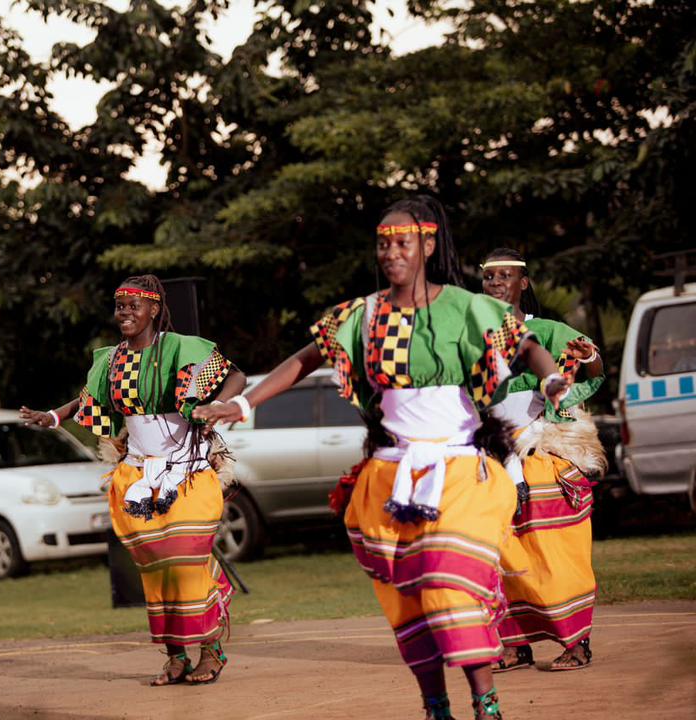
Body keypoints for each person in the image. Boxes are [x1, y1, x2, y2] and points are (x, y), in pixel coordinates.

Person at [195, 196, 571, 720]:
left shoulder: (466, 306)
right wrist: (240, 402)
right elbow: (305, 360)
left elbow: (527, 345)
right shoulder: (363, 314)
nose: (391, 252)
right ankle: (434, 704)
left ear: (428, 244)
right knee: (410, 598)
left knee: (449, 583)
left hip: (460, 473)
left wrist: (552, 377)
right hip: (391, 478)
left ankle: (486, 703)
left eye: (403, 242)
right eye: (383, 243)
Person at [20, 275, 246, 687]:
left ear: (154, 309)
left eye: (133, 306)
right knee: (157, 568)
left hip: (188, 472)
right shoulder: (111, 360)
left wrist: (221, 404)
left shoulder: (183, 348)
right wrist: (52, 416)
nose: (124, 313)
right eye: (119, 305)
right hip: (139, 476)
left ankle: (211, 650)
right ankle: (176, 656)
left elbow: (237, 376)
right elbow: (89, 401)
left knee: (185, 560)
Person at [481, 248, 605, 672]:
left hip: (540, 460)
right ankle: (515, 646)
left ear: (523, 284)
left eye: (503, 276)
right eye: (488, 277)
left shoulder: (547, 331)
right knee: (501, 557)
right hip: (494, 462)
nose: (494, 283)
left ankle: (577, 645)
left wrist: (587, 358)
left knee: (553, 555)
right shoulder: (474, 338)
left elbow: (591, 369)